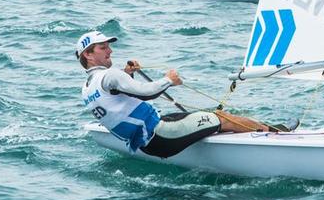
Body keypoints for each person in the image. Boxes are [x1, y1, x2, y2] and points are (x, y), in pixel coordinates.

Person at [77, 31, 295, 159]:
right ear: (88, 54)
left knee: (202, 116)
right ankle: (280, 133)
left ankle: (247, 132)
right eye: (103, 48)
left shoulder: (88, 86)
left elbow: (118, 98)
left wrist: (127, 74)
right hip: (161, 135)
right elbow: (147, 93)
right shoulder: (109, 76)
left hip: (148, 141)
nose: (110, 51)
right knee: (223, 117)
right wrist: (169, 79)